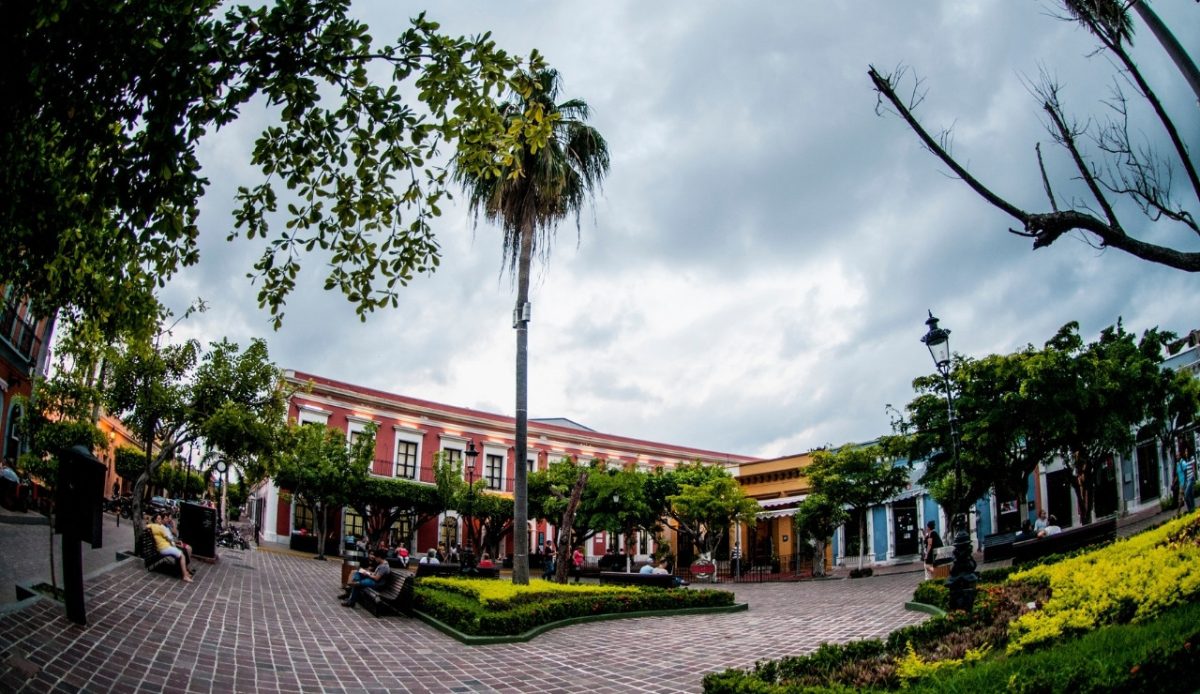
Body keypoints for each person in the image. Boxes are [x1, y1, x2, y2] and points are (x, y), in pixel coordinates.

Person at [147, 515, 193, 583]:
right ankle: (185, 576)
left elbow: (147, 526)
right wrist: (174, 543)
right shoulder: (159, 527)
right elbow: (168, 538)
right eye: (159, 519)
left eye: (160, 518)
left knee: (181, 553)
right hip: (164, 548)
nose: (160, 520)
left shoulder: (153, 526)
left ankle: (185, 572)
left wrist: (148, 522)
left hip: (164, 547)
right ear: (155, 520)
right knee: (182, 555)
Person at [1176, 439, 1196, 514]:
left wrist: (1193, 477)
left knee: (1187, 495)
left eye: (1187, 451)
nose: (1186, 453)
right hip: (1186, 479)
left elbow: (1193, 468)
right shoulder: (1184, 460)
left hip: (1191, 478)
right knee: (1190, 495)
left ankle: (1191, 509)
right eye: (1185, 451)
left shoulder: (1191, 458)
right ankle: (1192, 509)